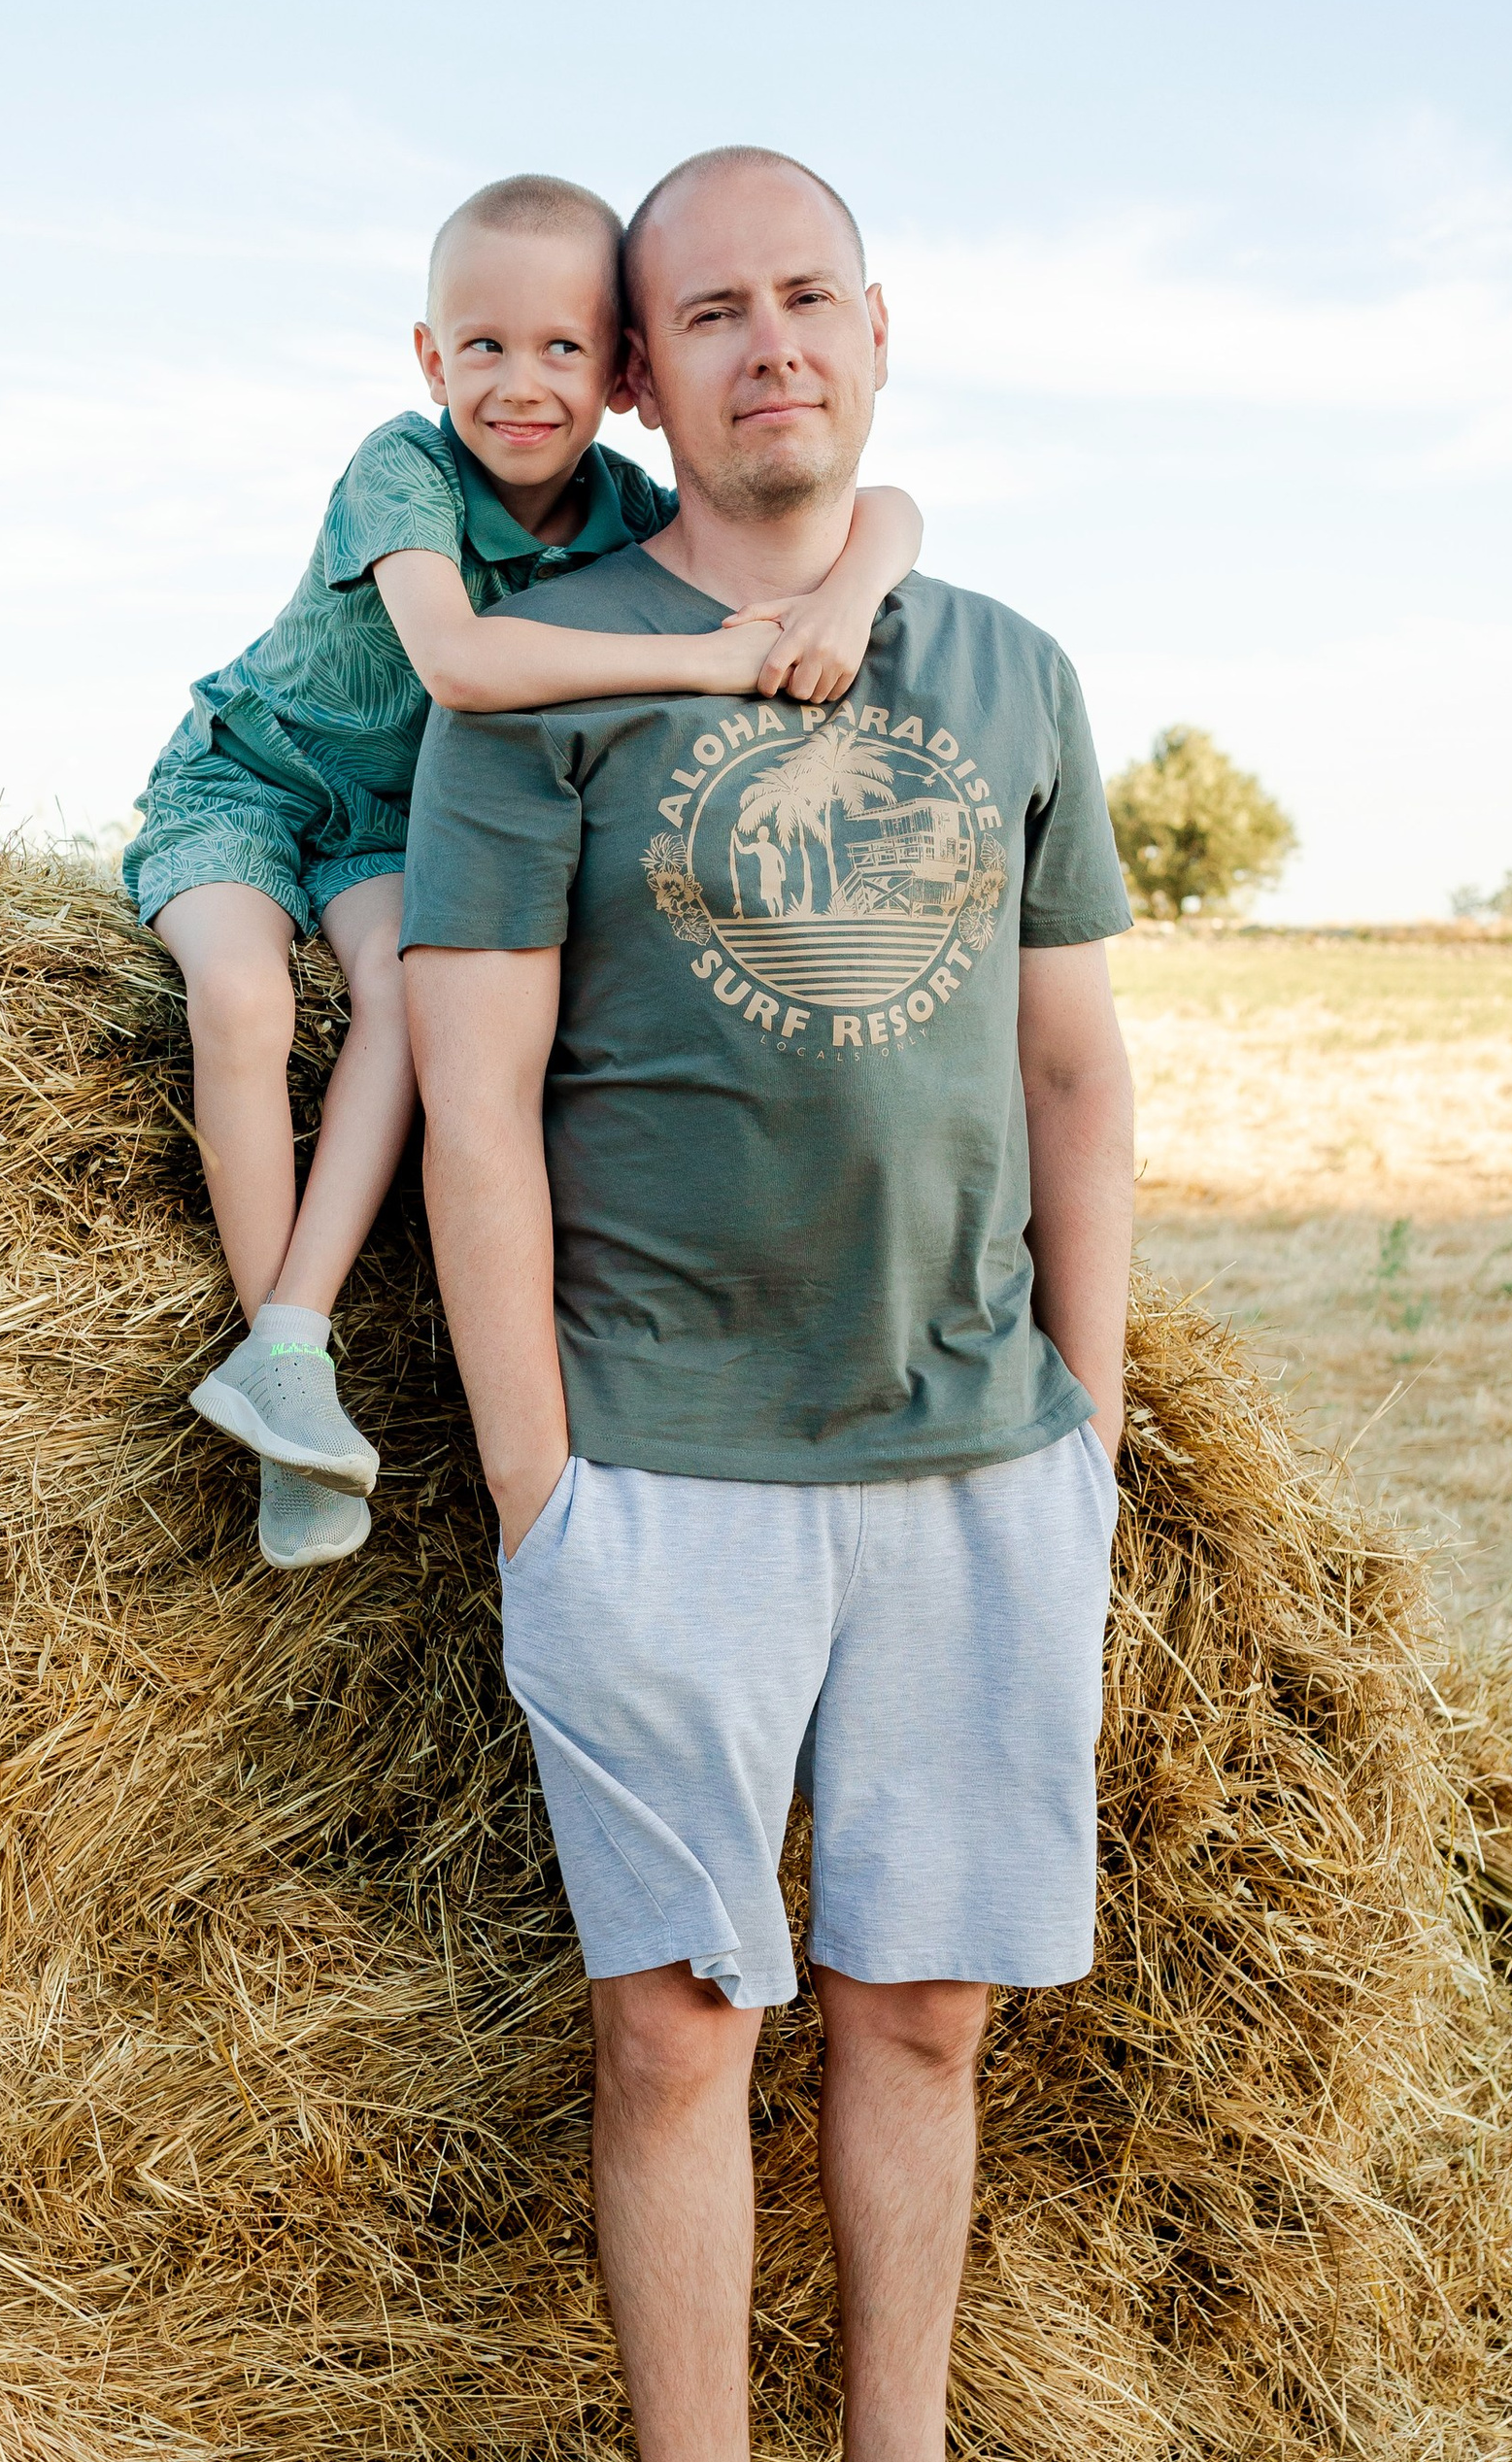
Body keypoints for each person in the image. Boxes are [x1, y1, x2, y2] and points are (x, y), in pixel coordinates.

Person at [401, 145, 1140, 2462]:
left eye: (806, 294)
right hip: (665, 1468)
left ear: (877, 329)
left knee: (920, 2013)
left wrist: (1080, 1417)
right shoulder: (544, 680)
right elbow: (475, 1095)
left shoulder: (1012, 670)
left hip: (971, 1469)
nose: (767, 345)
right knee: (676, 2032)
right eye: (704, 311)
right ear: (640, 374)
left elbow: (1078, 1077)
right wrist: (535, 1488)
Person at [121, 173, 923, 1568]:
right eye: (482, 347)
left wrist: (844, 598)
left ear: (620, 376)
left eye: (561, 348)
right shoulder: (403, 468)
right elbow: (460, 659)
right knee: (247, 1006)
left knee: (403, 1001)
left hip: (388, 828)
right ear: (432, 359)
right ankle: (281, 1361)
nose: (518, 382)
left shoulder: (619, 506)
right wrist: (712, 658)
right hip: (248, 782)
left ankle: (290, 1344)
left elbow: (891, 508)